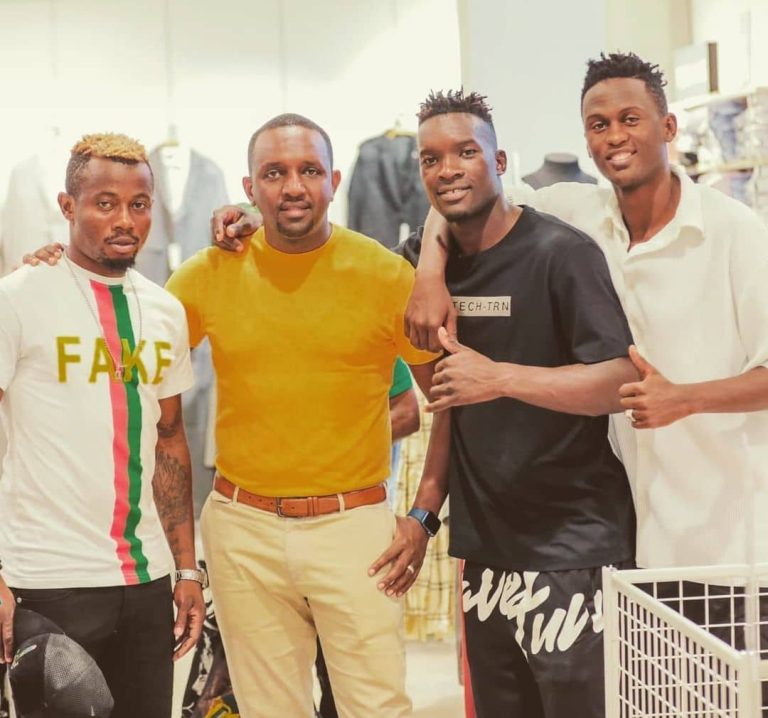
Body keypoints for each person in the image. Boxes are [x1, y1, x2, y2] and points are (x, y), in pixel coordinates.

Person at [406, 53, 768, 574]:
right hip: (638, 528)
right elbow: (463, 191)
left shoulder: (734, 231)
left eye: (630, 119)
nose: (615, 136)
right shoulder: (579, 212)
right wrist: (429, 272)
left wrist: (686, 398)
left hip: (733, 533)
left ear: (668, 127)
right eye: (599, 125)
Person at [164, 114, 437, 717]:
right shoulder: (209, 273)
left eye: (309, 170)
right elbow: (135, 363)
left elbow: (445, 402)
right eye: (274, 173)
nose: (293, 186)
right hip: (243, 529)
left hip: (355, 528)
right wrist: (60, 268)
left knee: (377, 707)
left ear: (334, 181)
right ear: (249, 187)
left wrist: (423, 516)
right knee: (269, 709)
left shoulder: (385, 275)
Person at [375, 89, 635, 717]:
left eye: (466, 153)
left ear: (499, 162)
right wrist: (423, 515)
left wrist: (500, 378)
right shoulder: (418, 265)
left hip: (575, 547)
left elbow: (619, 379)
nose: (449, 169)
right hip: (485, 551)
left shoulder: (561, 253)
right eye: (431, 159)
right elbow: (448, 407)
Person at [0, 133, 205, 718]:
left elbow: (170, 440)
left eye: (138, 204)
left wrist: (186, 567)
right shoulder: (18, 298)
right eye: (104, 203)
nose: (124, 220)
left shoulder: (165, 310)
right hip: (46, 578)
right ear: (68, 206)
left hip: (145, 580)